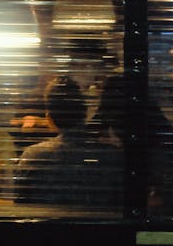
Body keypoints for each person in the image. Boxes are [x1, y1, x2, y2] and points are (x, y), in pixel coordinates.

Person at [92, 75, 173, 212]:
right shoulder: (156, 136)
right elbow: (96, 125)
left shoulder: (159, 153)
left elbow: (172, 198)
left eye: (115, 123)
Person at [14, 76, 123, 210]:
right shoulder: (112, 156)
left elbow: (21, 206)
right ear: (85, 113)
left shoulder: (33, 156)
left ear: (49, 119)